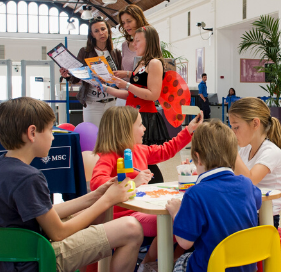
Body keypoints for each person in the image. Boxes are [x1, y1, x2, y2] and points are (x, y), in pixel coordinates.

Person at [0, 97, 142, 272]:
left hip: (9, 262)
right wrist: (106, 201)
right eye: (51, 130)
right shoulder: (28, 177)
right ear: (32, 133)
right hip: (36, 260)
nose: (53, 136)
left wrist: (96, 195)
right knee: (131, 228)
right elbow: (58, 233)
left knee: (94, 215)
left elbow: (44, 212)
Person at [91, 106, 204, 268]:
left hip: (141, 211)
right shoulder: (109, 155)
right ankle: (148, 265)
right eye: (140, 125)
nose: (145, 128)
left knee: (182, 218)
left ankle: (153, 263)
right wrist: (132, 183)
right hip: (123, 217)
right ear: (125, 130)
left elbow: (167, 150)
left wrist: (189, 129)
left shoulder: (140, 150)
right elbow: (97, 183)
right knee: (175, 221)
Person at [165, 120, 261, 272]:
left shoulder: (195, 194)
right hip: (246, 266)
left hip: (212, 267)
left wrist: (176, 212)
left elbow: (184, 242)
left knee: (180, 260)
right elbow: (257, 201)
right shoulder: (246, 184)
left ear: (197, 157)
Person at [103, 25, 170, 184]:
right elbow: (133, 94)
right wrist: (106, 88)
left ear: (149, 42)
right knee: (135, 159)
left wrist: (126, 85)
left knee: (147, 161)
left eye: (138, 41)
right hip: (134, 115)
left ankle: (154, 188)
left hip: (146, 117)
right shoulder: (141, 63)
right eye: (134, 41)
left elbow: (153, 94)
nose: (134, 45)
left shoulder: (154, 63)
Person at [229, 97, 281, 228]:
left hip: (264, 219)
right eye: (231, 128)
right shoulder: (246, 149)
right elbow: (229, 172)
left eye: (236, 127)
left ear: (255, 124)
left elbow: (250, 180)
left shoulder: (271, 151)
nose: (233, 133)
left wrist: (231, 149)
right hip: (245, 213)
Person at [58, 17, 122, 128]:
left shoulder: (116, 52)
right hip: (92, 104)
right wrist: (68, 76)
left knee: (112, 138)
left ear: (108, 30)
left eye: (103, 29)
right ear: (92, 34)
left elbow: (120, 76)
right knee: (94, 138)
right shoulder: (85, 52)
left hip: (113, 102)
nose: (101, 33)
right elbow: (77, 77)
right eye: (96, 31)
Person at [116, 4, 151, 106]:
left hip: (140, 97)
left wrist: (127, 73)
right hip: (123, 96)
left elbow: (152, 74)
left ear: (138, 19)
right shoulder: (125, 45)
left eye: (129, 21)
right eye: (123, 23)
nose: (126, 25)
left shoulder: (149, 43)